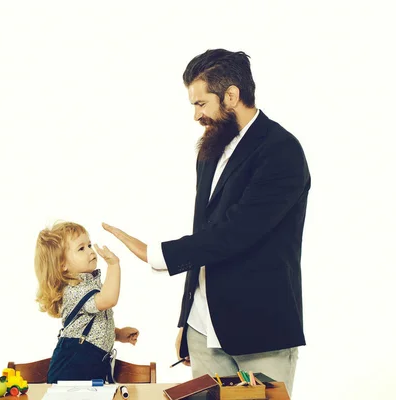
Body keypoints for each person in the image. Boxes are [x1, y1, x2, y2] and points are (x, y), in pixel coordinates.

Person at [102, 48, 310, 396]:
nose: (196, 115)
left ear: (231, 95)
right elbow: (205, 233)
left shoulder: (281, 151)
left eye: (201, 104)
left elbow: (236, 232)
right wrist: (187, 319)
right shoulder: (210, 149)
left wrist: (156, 253)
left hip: (261, 331)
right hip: (202, 330)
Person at [34, 221, 139, 383]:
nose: (91, 251)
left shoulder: (89, 284)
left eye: (89, 245)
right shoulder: (73, 289)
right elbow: (108, 299)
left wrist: (117, 334)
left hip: (91, 366)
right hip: (71, 369)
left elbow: (91, 326)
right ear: (62, 265)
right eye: (81, 248)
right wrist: (113, 265)